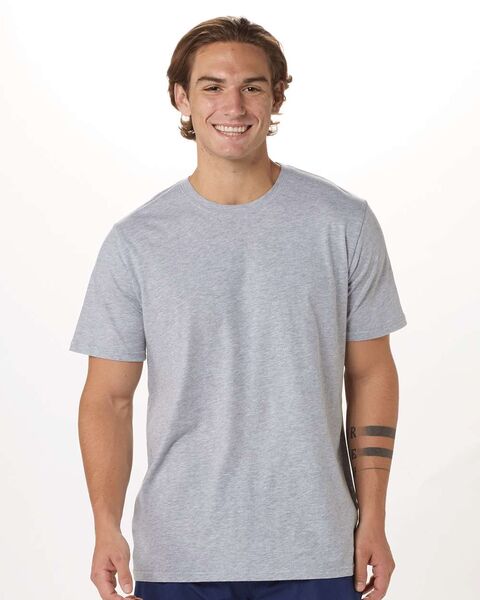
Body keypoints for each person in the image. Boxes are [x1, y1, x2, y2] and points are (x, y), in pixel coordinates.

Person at [69, 15, 407, 600]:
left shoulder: (342, 223)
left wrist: (372, 516)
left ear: (277, 96)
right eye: (212, 86)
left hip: (317, 545)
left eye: (253, 86)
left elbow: (371, 372)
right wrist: (105, 525)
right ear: (181, 97)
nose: (234, 105)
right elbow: (108, 397)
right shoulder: (137, 241)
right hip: (179, 553)